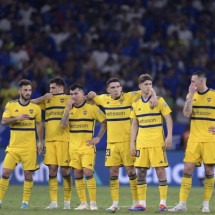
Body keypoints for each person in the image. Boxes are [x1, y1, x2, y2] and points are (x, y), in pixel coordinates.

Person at [87, 77, 157, 212]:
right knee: (113, 172)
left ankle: (136, 202)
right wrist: (90, 94)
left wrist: (153, 95)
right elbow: (90, 98)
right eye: (112, 87)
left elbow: (146, 89)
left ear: (121, 88)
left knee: (131, 171)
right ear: (108, 90)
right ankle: (115, 203)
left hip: (127, 142)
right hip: (112, 143)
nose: (116, 89)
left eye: (118, 86)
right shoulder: (103, 99)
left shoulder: (129, 97)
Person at [168, 71, 215, 213]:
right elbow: (186, 113)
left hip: (210, 140)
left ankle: (206, 204)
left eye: (194, 81)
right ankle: (182, 204)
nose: (191, 84)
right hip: (194, 139)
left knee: (209, 170)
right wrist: (190, 97)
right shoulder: (191, 96)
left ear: (202, 81)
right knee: (187, 169)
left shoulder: (213, 95)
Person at [130, 74, 173, 212]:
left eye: (150, 84)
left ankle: (163, 203)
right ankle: (142, 204)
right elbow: (134, 125)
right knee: (141, 172)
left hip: (157, 142)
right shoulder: (136, 104)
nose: (148, 86)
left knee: (160, 171)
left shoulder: (159, 100)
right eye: (145, 84)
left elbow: (168, 119)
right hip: (142, 143)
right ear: (140, 86)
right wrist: (132, 143)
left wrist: (169, 136)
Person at [61, 83, 106, 210]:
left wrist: (98, 138)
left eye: (76, 93)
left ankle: (93, 203)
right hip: (73, 147)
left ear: (82, 94)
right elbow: (63, 126)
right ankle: (83, 203)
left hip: (87, 147)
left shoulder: (91, 108)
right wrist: (67, 110)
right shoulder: (69, 109)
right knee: (77, 174)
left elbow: (104, 121)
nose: (73, 96)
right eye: (71, 94)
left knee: (88, 172)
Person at [0, 79, 43, 209]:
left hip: (29, 148)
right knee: (5, 172)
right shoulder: (11, 105)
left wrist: (40, 141)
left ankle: (25, 203)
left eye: (29, 90)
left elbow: (39, 125)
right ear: (19, 91)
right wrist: (17, 118)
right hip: (13, 147)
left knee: (28, 175)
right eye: (25, 90)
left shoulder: (35, 108)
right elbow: (4, 121)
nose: (28, 92)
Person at [31, 77, 71, 209]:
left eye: (53, 88)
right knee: (52, 170)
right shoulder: (47, 99)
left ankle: (67, 202)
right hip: (49, 141)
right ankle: (53, 202)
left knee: (65, 171)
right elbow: (28, 104)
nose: (50, 90)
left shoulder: (68, 99)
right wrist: (42, 97)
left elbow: (84, 98)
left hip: (64, 140)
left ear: (60, 88)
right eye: (50, 88)